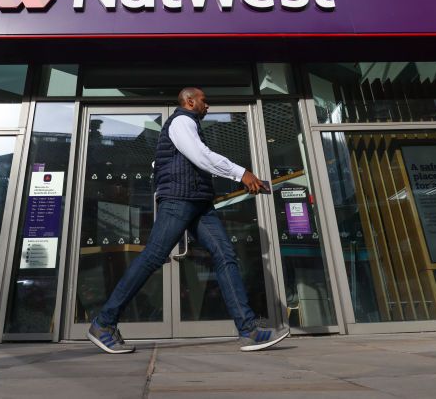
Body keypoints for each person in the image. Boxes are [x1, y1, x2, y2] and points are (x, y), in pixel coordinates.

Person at [88, 87, 289, 354]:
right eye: (205, 101)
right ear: (189, 101)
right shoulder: (181, 121)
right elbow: (201, 157)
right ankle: (104, 323)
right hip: (179, 201)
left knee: (225, 255)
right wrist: (242, 173)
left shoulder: (189, 125)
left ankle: (249, 330)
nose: (208, 106)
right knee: (153, 256)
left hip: (198, 203)